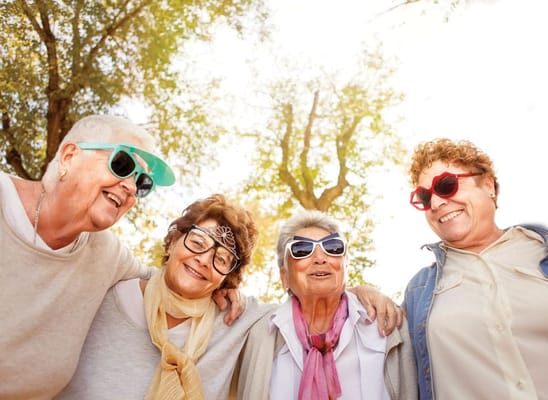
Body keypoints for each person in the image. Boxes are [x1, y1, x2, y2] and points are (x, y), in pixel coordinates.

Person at [57, 196, 406, 400]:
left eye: (221, 258)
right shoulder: (109, 289)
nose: (203, 259)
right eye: (197, 241)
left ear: (228, 276)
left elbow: (314, 295)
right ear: (175, 240)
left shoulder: (238, 321)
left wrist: (362, 291)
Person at [0, 114, 179, 399]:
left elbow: (172, 284)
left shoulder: (108, 253)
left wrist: (222, 287)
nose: (131, 188)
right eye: (123, 164)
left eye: (142, 182)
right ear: (70, 156)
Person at [403, 138, 548, 400]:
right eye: (424, 198)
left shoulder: (541, 249)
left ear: (489, 186)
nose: (435, 203)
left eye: (446, 186)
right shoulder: (418, 291)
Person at [235, 210, 417, 400]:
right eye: (302, 250)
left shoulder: (388, 326)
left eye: (333, 247)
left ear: (345, 267)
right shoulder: (259, 332)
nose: (320, 258)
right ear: (284, 277)